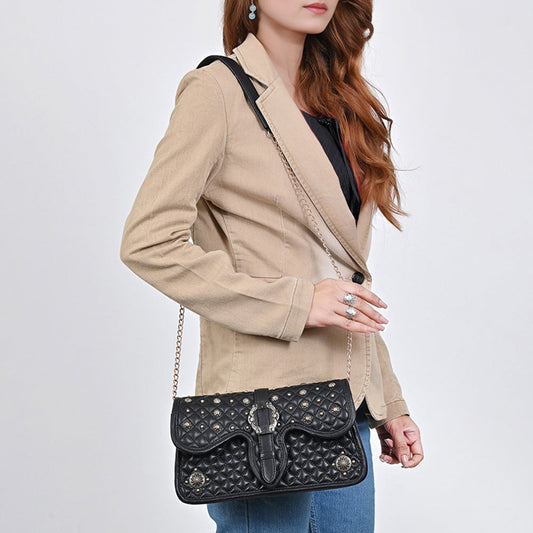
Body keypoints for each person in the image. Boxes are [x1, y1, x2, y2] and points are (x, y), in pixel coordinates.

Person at [119, 1, 424, 531]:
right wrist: (297, 303)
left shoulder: (339, 105)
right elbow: (148, 242)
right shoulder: (217, 91)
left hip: (346, 412)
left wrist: (387, 400)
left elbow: (346, 274)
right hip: (262, 418)